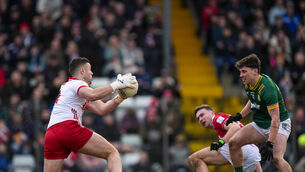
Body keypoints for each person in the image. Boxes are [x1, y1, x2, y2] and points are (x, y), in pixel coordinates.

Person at [43, 57, 138, 172]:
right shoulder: (76, 83)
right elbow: (93, 94)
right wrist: (117, 84)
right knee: (112, 153)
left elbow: (103, 109)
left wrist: (121, 97)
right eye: (90, 70)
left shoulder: (71, 89)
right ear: (82, 71)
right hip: (68, 128)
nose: (92, 73)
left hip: (52, 134)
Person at [227, 54, 292, 172]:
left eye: (244, 71)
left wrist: (270, 143)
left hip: (279, 123)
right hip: (261, 122)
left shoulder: (267, 88)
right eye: (240, 72)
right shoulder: (248, 83)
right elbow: (252, 100)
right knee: (233, 143)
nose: (241, 75)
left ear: (255, 71)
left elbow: (276, 119)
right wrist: (240, 115)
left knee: (276, 158)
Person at [188, 104, 262, 172]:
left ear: (212, 113)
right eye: (198, 118)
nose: (200, 119)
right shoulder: (223, 122)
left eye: (202, 115)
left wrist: (221, 142)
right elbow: (251, 151)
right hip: (251, 153)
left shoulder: (217, 118)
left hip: (244, 150)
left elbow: (235, 128)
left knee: (193, 159)